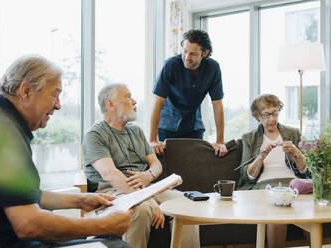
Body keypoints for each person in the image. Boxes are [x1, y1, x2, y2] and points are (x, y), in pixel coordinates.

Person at [0, 55, 132, 248]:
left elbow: (21, 197)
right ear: (26, 91)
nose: (58, 105)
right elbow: (28, 225)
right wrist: (102, 225)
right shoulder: (4, 134)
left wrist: (80, 200)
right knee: (116, 246)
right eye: (55, 94)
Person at [83, 83, 200, 248]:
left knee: (187, 204)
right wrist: (148, 199)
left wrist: (149, 175)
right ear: (110, 104)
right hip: (113, 190)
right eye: (128, 97)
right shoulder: (95, 134)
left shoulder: (136, 131)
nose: (134, 101)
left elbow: (156, 164)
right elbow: (110, 174)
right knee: (141, 210)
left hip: (147, 187)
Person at [237, 94, 310, 248]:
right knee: (278, 211)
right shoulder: (249, 138)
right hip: (265, 187)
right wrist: (261, 156)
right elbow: (247, 175)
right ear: (258, 116)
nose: (271, 119)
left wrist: (296, 152)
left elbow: (306, 171)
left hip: (295, 185)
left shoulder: (294, 134)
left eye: (274, 113)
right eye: (266, 115)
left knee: (311, 210)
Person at [150, 29, 228, 157]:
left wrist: (220, 141)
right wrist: (152, 140)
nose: (187, 57)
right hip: (167, 126)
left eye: (193, 54)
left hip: (193, 127)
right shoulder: (171, 65)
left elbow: (217, 105)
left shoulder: (213, 68)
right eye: (185, 51)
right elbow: (157, 102)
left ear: (205, 53)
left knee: (194, 166)